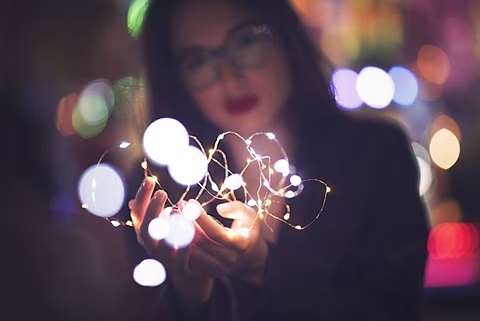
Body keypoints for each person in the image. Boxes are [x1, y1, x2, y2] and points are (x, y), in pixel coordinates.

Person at [129, 0, 429, 320]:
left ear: (286, 37)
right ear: (177, 78)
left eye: (246, 41)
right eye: (198, 60)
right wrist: (188, 296)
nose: (229, 77)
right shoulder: (157, 191)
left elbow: (394, 308)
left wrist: (264, 268)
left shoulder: (376, 155)